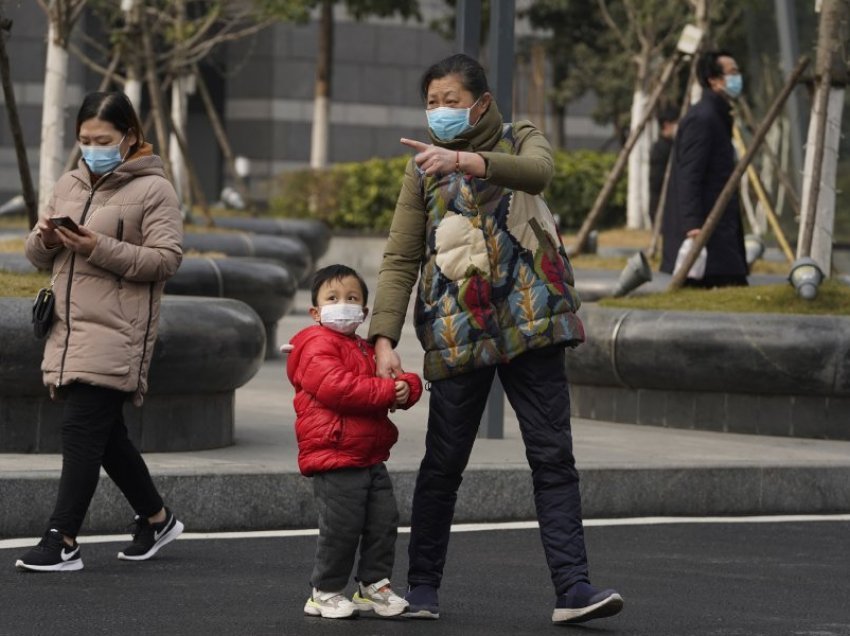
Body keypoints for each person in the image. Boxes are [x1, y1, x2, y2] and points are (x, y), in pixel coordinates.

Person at [368, 53, 623, 625]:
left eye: (451, 103)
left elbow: (537, 173)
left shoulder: (519, 136)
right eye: (432, 104)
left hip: (533, 325)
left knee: (552, 457)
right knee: (443, 465)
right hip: (460, 333)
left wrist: (465, 160)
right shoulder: (420, 173)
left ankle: (574, 588)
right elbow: (402, 254)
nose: (439, 113)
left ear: (481, 103)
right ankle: (424, 587)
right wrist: (382, 335)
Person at [17, 91, 184, 572]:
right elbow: (35, 255)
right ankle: (157, 517)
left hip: (117, 329)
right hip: (68, 330)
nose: (92, 147)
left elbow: (166, 260)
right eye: (85, 139)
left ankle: (62, 538)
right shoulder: (69, 183)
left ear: (129, 136)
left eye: (103, 139)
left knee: (81, 432)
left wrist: (97, 246)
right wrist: (46, 238)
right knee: (105, 436)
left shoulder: (156, 190)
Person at [286, 264, 423, 619]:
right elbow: (338, 389)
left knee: (383, 522)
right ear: (315, 311)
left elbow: (390, 380)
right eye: (333, 298)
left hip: (369, 455)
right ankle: (325, 591)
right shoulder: (315, 345)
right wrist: (389, 390)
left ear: (364, 311)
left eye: (352, 298)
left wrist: (408, 387)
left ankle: (373, 586)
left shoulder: (364, 349)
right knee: (341, 529)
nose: (343, 304)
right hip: (334, 455)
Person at [660, 50, 749, 287]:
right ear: (713, 79)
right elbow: (689, 175)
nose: (738, 77)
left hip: (718, 225)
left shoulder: (718, 115)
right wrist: (692, 225)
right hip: (705, 230)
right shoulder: (703, 118)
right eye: (732, 72)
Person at [649, 105, 678, 221]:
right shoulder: (661, 148)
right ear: (667, 125)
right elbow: (657, 181)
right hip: (662, 205)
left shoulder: (672, 145)